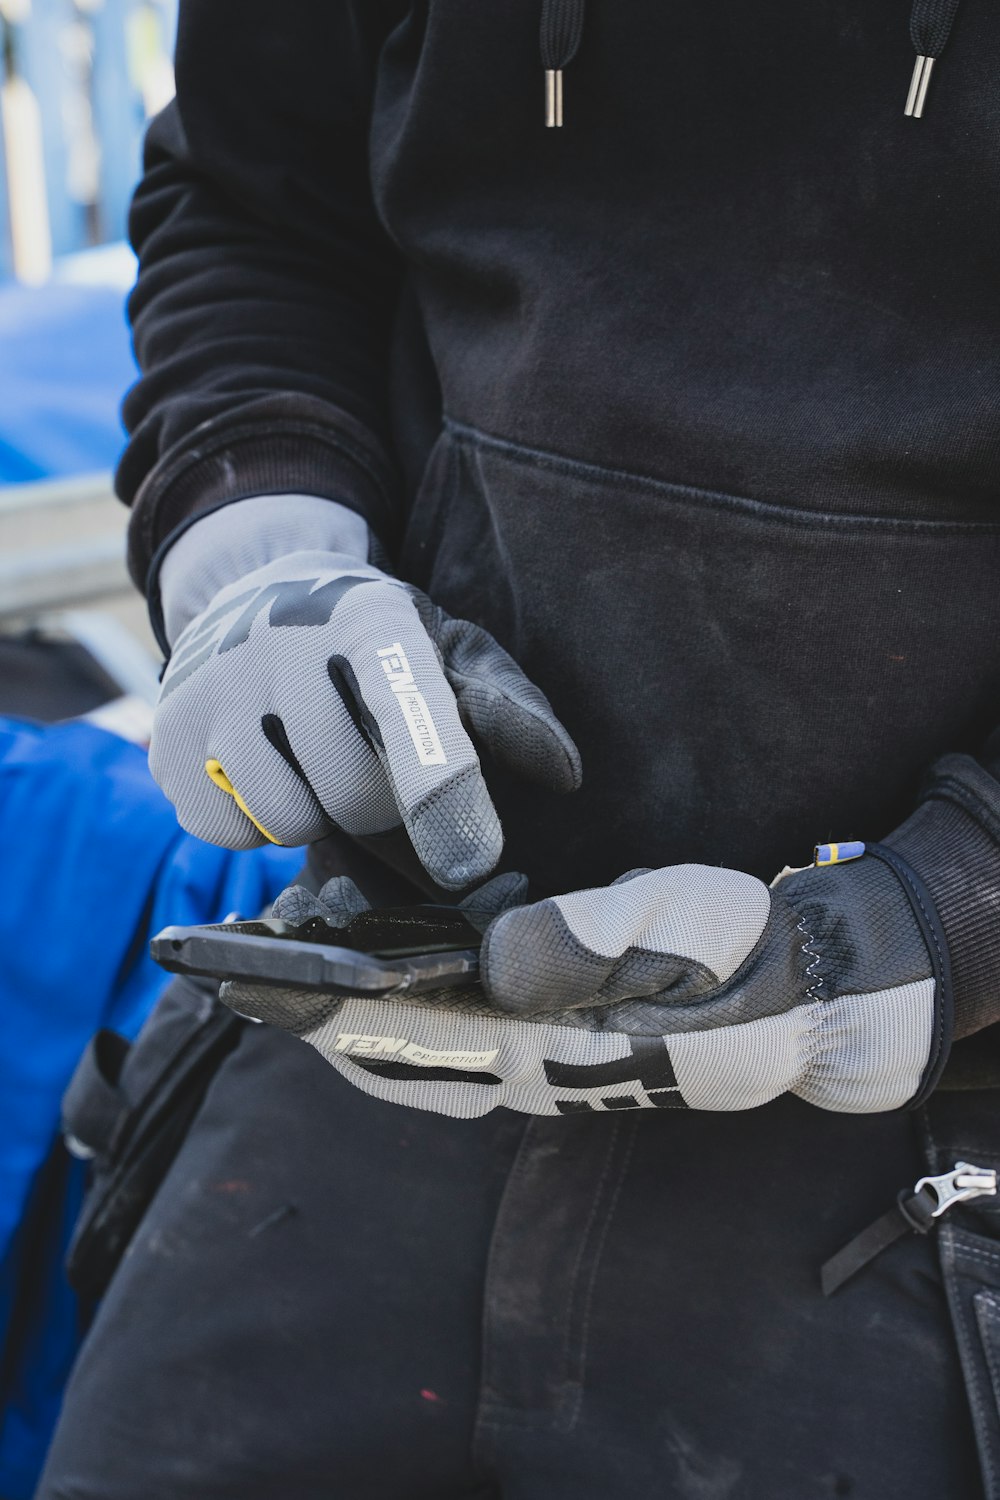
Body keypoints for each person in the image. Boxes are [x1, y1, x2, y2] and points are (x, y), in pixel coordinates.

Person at [37, 2, 1000, 1496]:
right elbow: (252, 201)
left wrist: (945, 910)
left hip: (918, 1129)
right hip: (378, 1028)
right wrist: (255, 551)